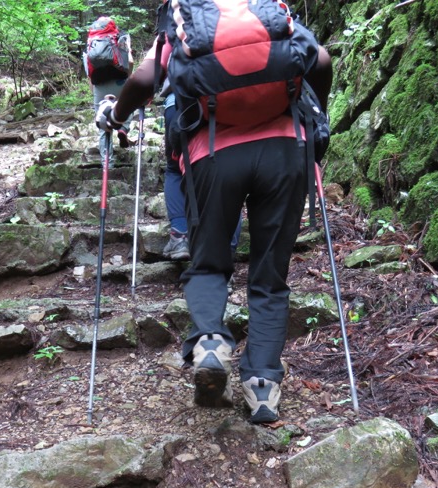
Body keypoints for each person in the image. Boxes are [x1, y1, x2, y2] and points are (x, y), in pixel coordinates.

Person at [96, 12, 333, 423]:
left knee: (208, 262)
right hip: (285, 150)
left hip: (212, 152)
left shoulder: (187, 20)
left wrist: (115, 116)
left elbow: (141, 80)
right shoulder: (269, 14)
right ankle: (262, 387)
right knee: (270, 275)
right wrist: (317, 117)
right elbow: (323, 60)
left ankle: (209, 339)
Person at [161, 89, 243, 262]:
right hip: (228, 102)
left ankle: (180, 236)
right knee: (229, 170)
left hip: (180, 105)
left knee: (175, 169)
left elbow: (144, 78)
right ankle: (225, 251)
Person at [83, 17, 135, 166]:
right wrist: (128, 78)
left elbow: (89, 70)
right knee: (129, 105)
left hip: (100, 84)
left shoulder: (91, 41)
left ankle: (107, 164)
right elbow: (130, 61)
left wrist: (93, 88)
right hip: (120, 81)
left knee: (103, 122)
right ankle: (123, 129)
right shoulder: (120, 37)